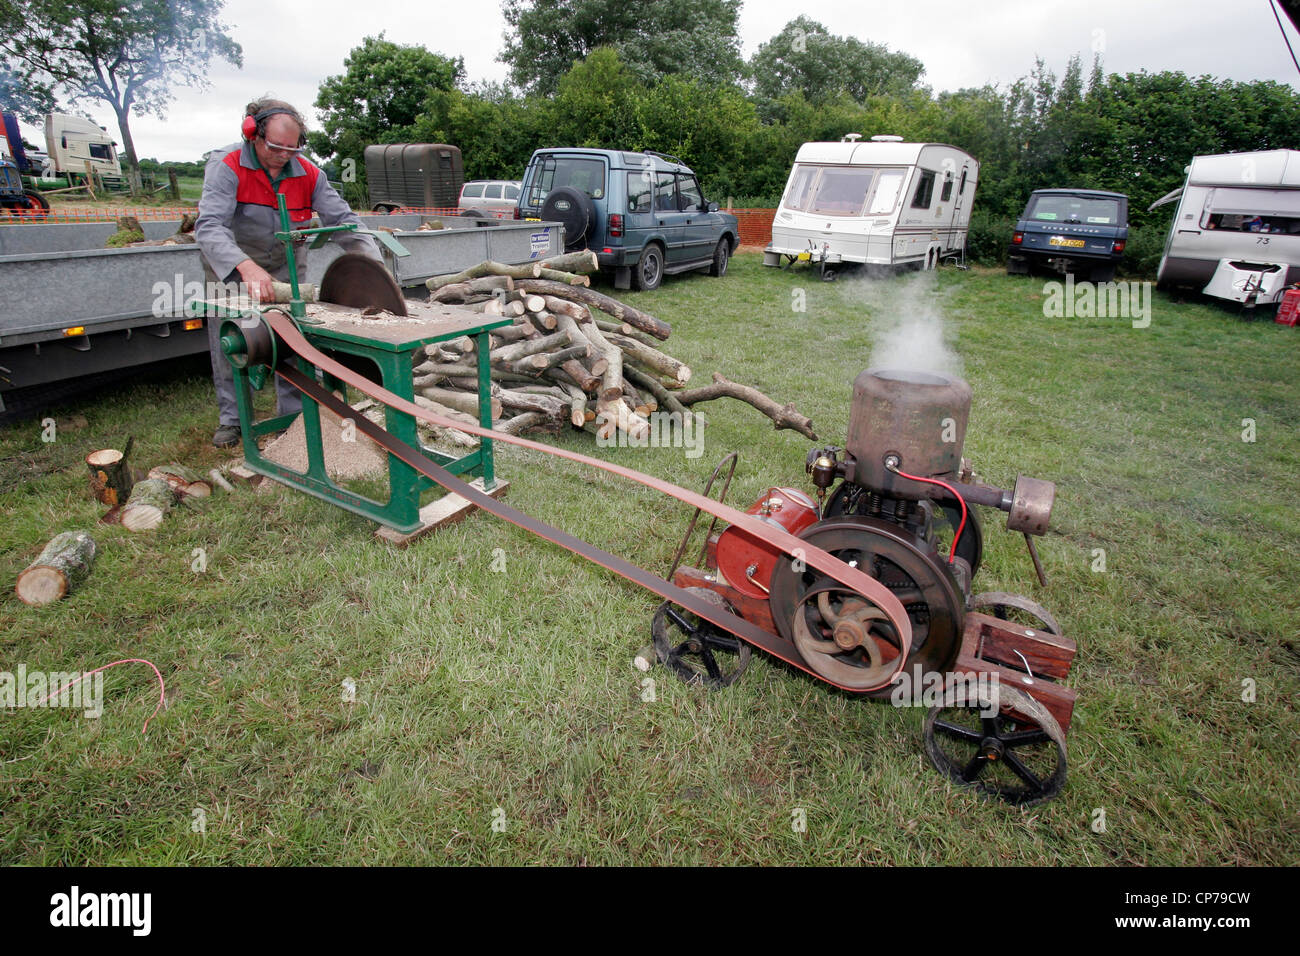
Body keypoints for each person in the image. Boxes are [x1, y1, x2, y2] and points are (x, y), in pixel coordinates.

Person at [195, 97, 381, 447]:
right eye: (276, 147)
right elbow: (209, 227)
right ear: (253, 134)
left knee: (293, 339)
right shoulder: (228, 165)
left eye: (291, 149)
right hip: (234, 265)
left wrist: (372, 264)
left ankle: (292, 417)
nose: (283, 155)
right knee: (232, 341)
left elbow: (344, 222)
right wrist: (245, 268)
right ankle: (233, 420)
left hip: (286, 265)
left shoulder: (309, 172)